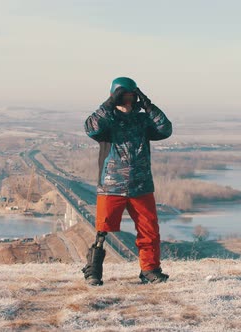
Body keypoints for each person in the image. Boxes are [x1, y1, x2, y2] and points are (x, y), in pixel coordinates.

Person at [81, 77, 173, 286]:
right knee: (102, 229)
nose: (127, 99)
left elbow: (165, 129)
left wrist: (149, 107)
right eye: (123, 95)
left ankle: (150, 270)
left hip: (141, 186)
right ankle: (93, 271)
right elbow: (90, 128)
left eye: (130, 95)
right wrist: (109, 104)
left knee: (149, 230)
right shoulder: (107, 121)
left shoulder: (142, 121)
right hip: (111, 185)